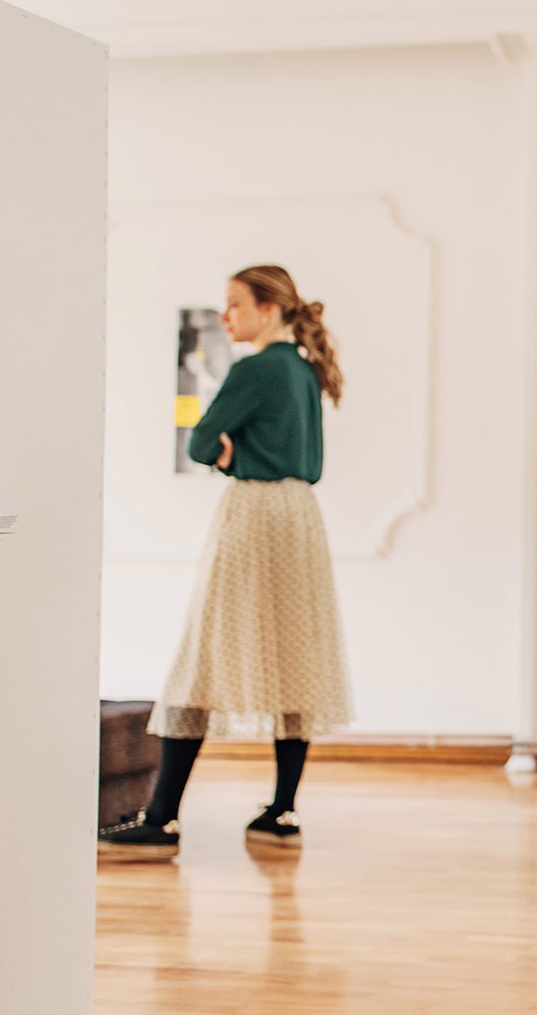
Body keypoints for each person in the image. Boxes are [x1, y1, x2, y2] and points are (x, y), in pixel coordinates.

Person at [100, 265, 352, 861]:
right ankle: (281, 811)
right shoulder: (303, 368)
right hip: (301, 519)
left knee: (202, 656)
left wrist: (229, 453)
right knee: (297, 659)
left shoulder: (256, 367)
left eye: (235, 304)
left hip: (254, 516)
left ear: (269, 308)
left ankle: (161, 820)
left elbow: (198, 442)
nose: (225, 317)